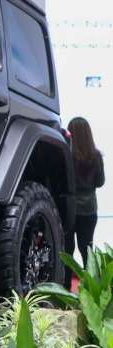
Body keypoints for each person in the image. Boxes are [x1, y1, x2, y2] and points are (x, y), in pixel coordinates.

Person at [65, 117, 105, 274]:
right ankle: (90, 284)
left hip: (69, 208)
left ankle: (65, 285)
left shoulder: (66, 155)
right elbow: (100, 182)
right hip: (89, 209)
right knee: (87, 250)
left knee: (67, 250)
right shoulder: (96, 156)